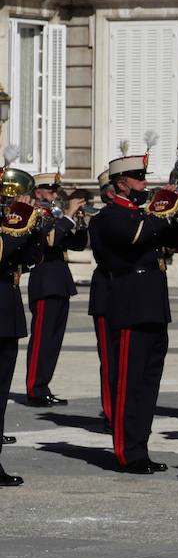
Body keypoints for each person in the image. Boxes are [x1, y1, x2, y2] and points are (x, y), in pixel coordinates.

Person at [90, 152, 178, 474]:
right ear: (121, 183)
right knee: (129, 383)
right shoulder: (108, 217)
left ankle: (140, 449)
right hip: (129, 304)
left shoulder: (142, 215)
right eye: (140, 178)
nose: (145, 184)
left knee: (148, 384)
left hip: (153, 306)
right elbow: (135, 238)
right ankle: (126, 452)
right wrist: (162, 207)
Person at [0, 165, 46, 485]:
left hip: (7, 311)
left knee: (0, 394)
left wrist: (35, 227)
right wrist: (16, 224)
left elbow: (29, 259)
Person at [25, 172, 86, 407]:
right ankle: (34, 388)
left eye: (56, 191)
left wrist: (79, 223)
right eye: (50, 190)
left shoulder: (55, 215)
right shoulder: (34, 215)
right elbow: (50, 240)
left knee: (53, 341)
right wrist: (69, 216)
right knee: (42, 339)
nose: (55, 195)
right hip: (44, 282)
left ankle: (43, 385)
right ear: (38, 192)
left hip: (59, 283)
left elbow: (76, 244)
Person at [88, 170, 115, 430]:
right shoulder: (100, 221)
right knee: (109, 359)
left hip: (129, 298)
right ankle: (111, 410)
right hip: (107, 294)